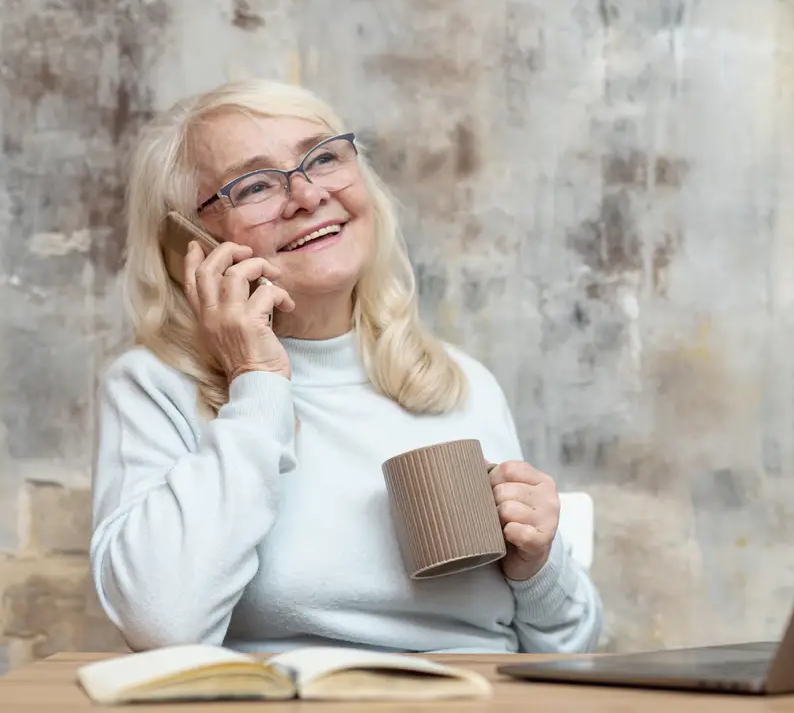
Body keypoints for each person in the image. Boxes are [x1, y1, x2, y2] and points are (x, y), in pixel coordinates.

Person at [88, 78, 604, 655]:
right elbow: (163, 626)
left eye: (324, 157)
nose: (308, 195)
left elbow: (569, 648)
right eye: (256, 185)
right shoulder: (156, 386)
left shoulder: (459, 382)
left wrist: (537, 564)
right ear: (193, 243)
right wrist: (256, 380)